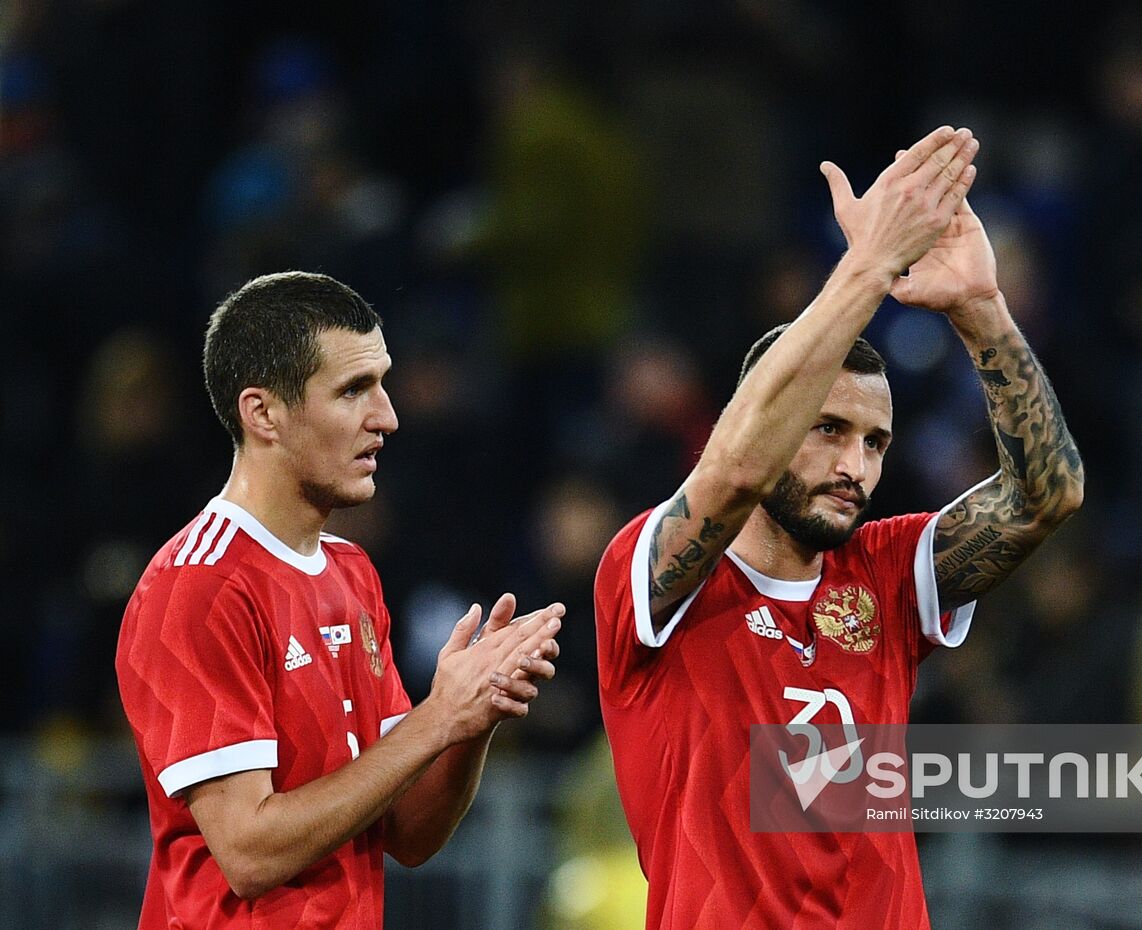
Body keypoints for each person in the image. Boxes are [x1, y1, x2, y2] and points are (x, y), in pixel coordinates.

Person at [594, 126, 1085, 928]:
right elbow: (734, 474)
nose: (856, 465)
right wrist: (869, 265)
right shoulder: (654, 574)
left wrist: (980, 308)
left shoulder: (885, 574)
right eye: (827, 430)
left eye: (876, 443)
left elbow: (1047, 494)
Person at [115, 272, 564, 929]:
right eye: (355, 390)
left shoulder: (352, 574)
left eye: (382, 382)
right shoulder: (200, 587)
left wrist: (472, 719)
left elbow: (409, 833)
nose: (387, 417)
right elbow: (250, 852)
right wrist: (435, 719)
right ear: (263, 413)